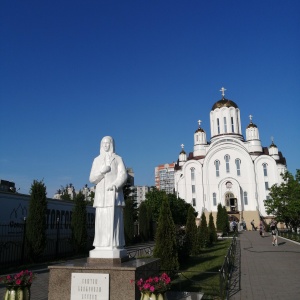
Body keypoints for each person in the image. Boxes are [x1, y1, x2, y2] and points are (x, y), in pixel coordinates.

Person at [89, 136, 128, 249]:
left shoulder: (118, 159)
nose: (105, 145)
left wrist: (115, 184)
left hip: (114, 194)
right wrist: (101, 171)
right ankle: (101, 245)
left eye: (108, 143)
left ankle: (115, 244)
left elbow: (123, 175)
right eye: (103, 143)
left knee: (114, 220)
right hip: (101, 196)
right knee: (101, 220)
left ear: (111, 144)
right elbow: (92, 178)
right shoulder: (96, 160)